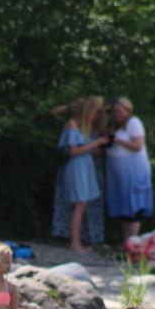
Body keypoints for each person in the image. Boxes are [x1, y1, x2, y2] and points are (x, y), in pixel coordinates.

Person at [51, 96, 107, 245]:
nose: (96, 115)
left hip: (85, 165)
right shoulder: (73, 124)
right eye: (95, 111)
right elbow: (74, 150)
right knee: (80, 204)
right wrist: (97, 143)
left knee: (82, 204)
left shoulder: (85, 127)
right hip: (77, 166)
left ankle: (77, 242)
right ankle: (75, 244)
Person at [106, 97, 153, 243]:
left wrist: (116, 140)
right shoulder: (117, 125)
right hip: (119, 173)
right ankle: (126, 242)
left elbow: (138, 145)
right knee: (124, 205)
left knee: (134, 204)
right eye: (114, 111)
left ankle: (132, 243)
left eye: (119, 111)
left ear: (127, 110)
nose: (116, 114)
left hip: (133, 169)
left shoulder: (134, 122)